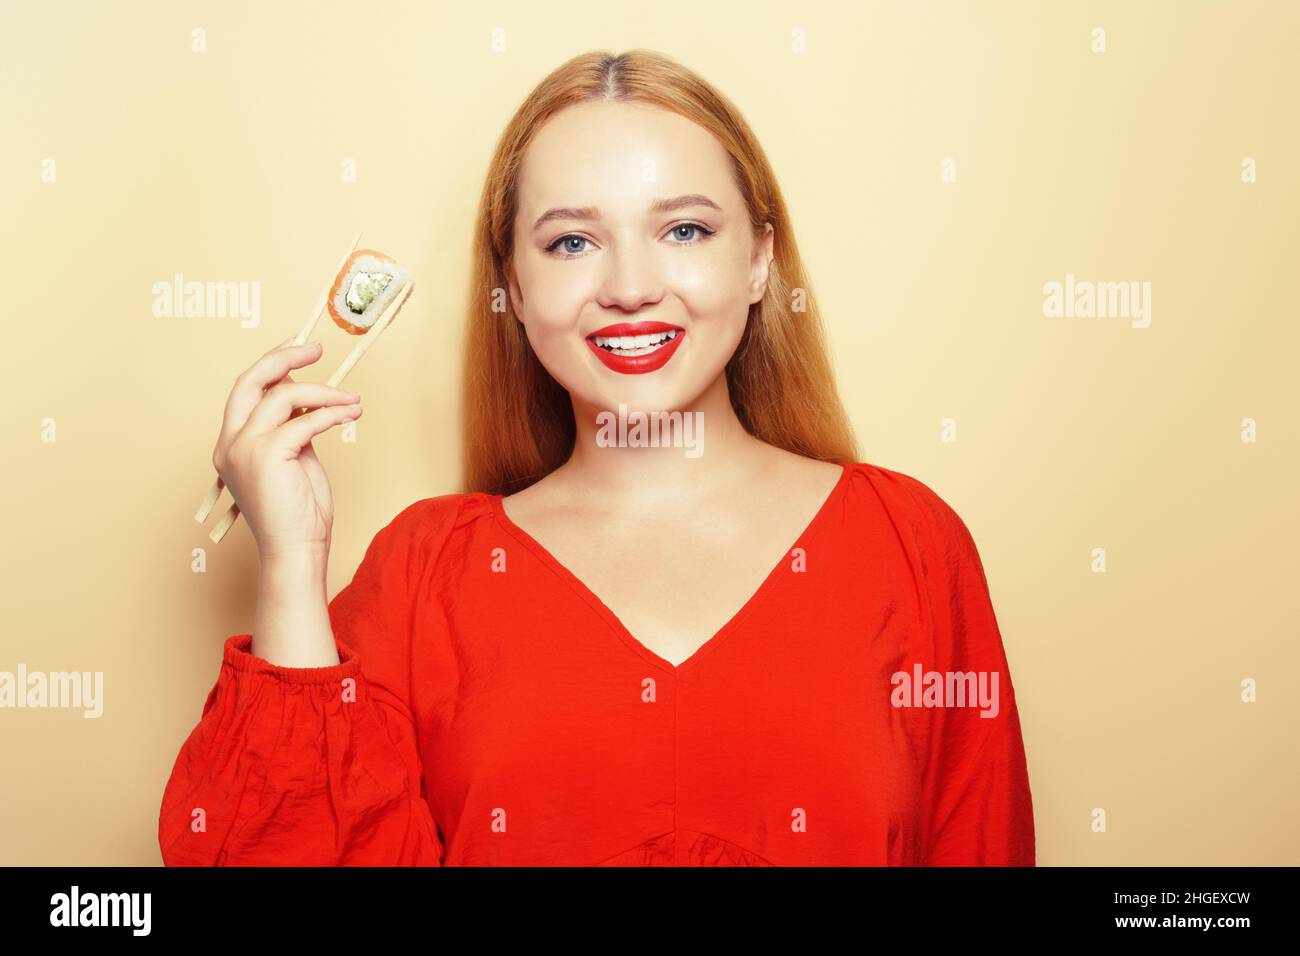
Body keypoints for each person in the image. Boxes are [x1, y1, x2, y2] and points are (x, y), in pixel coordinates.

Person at [158, 48, 1035, 866]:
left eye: (684, 230)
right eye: (571, 242)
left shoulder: (910, 546)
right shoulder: (427, 575)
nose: (627, 287)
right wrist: (291, 560)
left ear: (762, 260)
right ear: (514, 284)